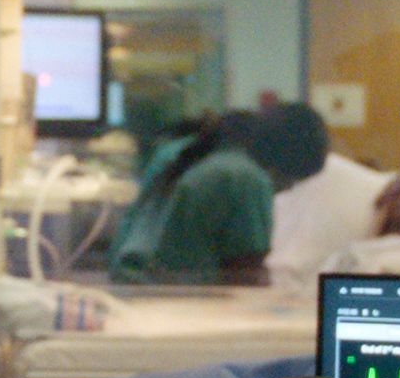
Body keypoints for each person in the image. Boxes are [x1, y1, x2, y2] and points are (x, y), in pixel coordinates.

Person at [105, 111, 279, 286]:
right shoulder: (245, 177)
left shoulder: (186, 155)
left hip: (140, 279)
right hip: (180, 291)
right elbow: (245, 265)